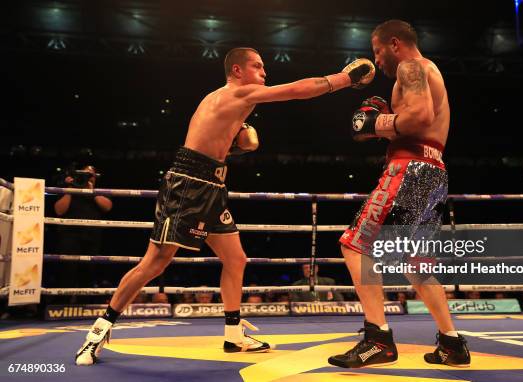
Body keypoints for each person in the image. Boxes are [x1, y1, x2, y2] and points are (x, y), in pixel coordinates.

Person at [75, 47, 375, 365]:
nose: (264, 73)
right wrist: (344, 78)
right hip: (188, 185)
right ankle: (98, 331)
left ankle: (233, 336)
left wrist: (238, 138)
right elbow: (297, 91)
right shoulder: (236, 93)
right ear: (237, 71)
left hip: (213, 186)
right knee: (156, 263)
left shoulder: (231, 103)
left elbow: (229, 142)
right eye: (257, 67)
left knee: (236, 259)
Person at [328, 20, 471, 368]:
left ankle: (377, 339)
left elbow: (420, 117)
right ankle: (452, 343)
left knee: (354, 244)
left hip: (410, 168)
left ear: (394, 44)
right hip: (433, 171)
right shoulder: (427, 72)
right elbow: (417, 119)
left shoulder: (411, 67)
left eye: (377, 52)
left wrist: (375, 123)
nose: (377, 61)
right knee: (415, 261)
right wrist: (386, 121)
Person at [51, 165, 112, 289]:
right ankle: (64, 303)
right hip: (69, 235)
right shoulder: (68, 190)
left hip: (92, 236)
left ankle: (85, 303)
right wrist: (71, 189)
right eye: (84, 175)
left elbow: (107, 206)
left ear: (95, 178)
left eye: (91, 175)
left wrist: (92, 191)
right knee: (67, 270)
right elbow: (59, 211)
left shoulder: (99, 192)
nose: (88, 178)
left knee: (88, 271)